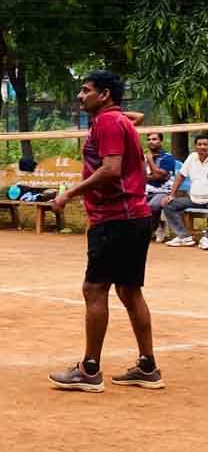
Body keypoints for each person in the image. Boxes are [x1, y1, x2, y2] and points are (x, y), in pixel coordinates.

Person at [49, 71, 163, 392]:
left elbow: (111, 169)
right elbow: (132, 118)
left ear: (105, 94)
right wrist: (113, 111)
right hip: (132, 217)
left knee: (94, 288)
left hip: (116, 218)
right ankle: (147, 366)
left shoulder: (109, 123)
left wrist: (70, 193)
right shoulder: (114, 119)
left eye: (86, 90)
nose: (79, 96)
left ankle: (89, 370)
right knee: (128, 291)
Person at [162, 134, 208, 248]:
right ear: (195, 147)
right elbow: (180, 176)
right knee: (168, 204)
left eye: (205, 144)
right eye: (199, 144)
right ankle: (184, 237)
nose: (202, 147)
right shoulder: (192, 157)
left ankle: (206, 238)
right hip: (193, 199)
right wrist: (171, 195)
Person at [144, 133, 179, 242]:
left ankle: (154, 229)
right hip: (145, 190)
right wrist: (152, 176)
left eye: (154, 139)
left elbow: (160, 177)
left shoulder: (168, 157)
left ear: (161, 141)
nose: (151, 141)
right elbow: (141, 175)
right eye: (149, 139)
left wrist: (150, 161)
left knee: (153, 206)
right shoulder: (143, 157)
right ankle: (146, 229)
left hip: (163, 191)